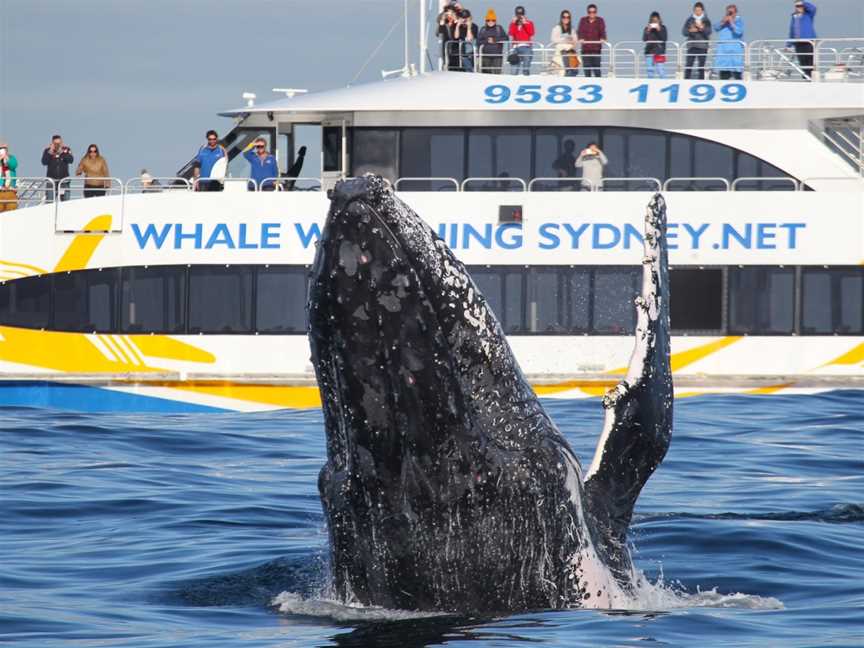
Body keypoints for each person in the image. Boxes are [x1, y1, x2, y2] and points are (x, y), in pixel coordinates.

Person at [682, 3, 712, 80]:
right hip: (691, 45)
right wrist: (690, 30)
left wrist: (702, 28)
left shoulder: (706, 20)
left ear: (702, 10)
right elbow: (684, 32)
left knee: (701, 66)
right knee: (688, 65)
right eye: (696, 10)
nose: (697, 12)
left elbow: (709, 32)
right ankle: (686, 82)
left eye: (699, 10)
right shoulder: (689, 20)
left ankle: (701, 82)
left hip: (702, 46)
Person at [714, 5, 744, 80]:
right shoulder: (724, 21)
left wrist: (732, 23)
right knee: (724, 74)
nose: (730, 14)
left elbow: (739, 32)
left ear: (735, 12)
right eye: (728, 12)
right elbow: (716, 27)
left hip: (735, 50)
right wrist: (723, 22)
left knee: (737, 74)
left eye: (732, 12)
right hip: (723, 50)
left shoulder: (739, 21)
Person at [788, 1, 817, 79]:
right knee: (802, 61)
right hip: (798, 43)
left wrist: (803, 2)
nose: (799, 7)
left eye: (800, 6)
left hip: (808, 42)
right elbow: (791, 31)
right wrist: (788, 44)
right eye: (797, 6)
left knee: (810, 60)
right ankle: (806, 77)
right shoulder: (794, 17)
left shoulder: (808, 15)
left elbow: (813, 8)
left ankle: (811, 77)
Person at [577, 4, 607, 78]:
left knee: (597, 70)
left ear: (596, 12)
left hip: (596, 49)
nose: (592, 13)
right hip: (585, 49)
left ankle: (600, 84)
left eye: (594, 12)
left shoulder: (600, 20)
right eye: (590, 12)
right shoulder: (583, 20)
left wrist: (603, 38)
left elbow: (602, 31)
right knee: (587, 71)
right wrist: (580, 38)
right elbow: (580, 31)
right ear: (587, 12)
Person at [41, 134, 74, 202]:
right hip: (52, 181)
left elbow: (71, 160)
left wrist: (62, 152)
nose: (57, 145)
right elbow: (44, 162)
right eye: (55, 143)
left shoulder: (66, 150)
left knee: (66, 202)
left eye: (59, 143)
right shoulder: (47, 151)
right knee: (50, 201)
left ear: (62, 143)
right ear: (52, 143)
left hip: (64, 181)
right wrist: (50, 151)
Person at [478, 9, 508, 74]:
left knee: (497, 74)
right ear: (486, 21)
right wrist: (487, 41)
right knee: (486, 74)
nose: (490, 22)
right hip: (485, 55)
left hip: (497, 56)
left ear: (495, 21)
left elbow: (506, 38)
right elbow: (478, 41)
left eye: (493, 20)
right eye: (488, 20)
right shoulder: (483, 29)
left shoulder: (499, 28)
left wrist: (495, 40)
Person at [550, 10, 579, 77]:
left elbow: (575, 39)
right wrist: (565, 40)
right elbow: (553, 39)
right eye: (564, 17)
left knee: (574, 70)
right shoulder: (557, 28)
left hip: (571, 51)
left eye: (568, 17)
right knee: (562, 70)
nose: (566, 19)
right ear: (561, 18)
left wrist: (572, 42)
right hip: (561, 51)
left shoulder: (572, 29)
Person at [508, 6, 535, 76]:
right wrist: (513, 23)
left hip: (526, 46)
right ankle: (513, 80)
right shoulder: (513, 23)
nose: (519, 16)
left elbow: (531, 32)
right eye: (518, 14)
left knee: (526, 67)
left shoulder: (529, 23)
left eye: (521, 14)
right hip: (515, 47)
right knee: (514, 69)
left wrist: (525, 23)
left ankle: (526, 77)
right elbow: (511, 33)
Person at [643, 12, 669, 78]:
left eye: (656, 20)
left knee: (661, 70)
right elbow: (644, 39)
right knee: (650, 70)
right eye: (653, 20)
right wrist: (648, 31)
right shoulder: (647, 28)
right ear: (650, 20)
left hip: (659, 52)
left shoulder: (663, 28)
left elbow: (664, 39)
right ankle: (650, 85)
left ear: (659, 20)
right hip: (649, 51)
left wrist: (659, 30)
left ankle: (664, 84)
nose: (654, 22)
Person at [437, 5, 460, 71]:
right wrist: (443, 19)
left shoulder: (458, 23)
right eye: (448, 13)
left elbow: (458, 35)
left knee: (455, 65)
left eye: (452, 13)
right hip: (446, 48)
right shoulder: (444, 23)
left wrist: (456, 20)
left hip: (456, 48)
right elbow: (439, 32)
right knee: (446, 64)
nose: (450, 15)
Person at [0, 143, 18, 212]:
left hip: (10, 189)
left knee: (11, 210)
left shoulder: (11, 157)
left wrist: (6, 158)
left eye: (4, 149)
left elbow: (13, 165)